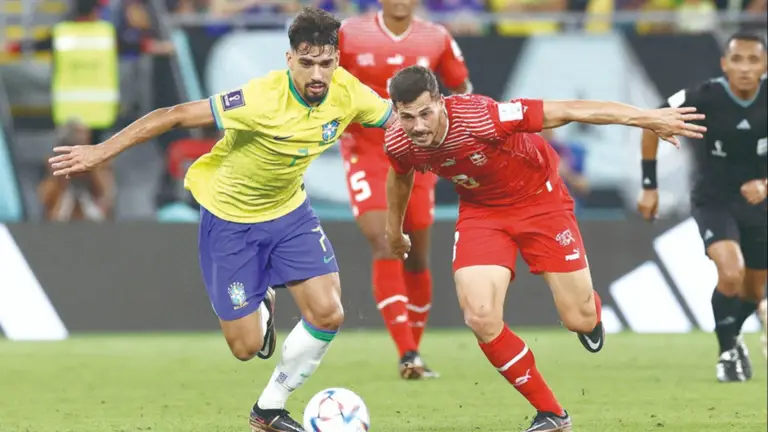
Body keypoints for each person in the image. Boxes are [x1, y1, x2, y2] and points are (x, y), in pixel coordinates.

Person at [48, 7, 394, 432]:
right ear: (290, 60)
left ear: (337, 59)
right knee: (246, 347)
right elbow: (174, 115)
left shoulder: (349, 93)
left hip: (289, 212)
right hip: (231, 219)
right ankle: (262, 304)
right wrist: (100, 152)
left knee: (328, 313)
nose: (317, 74)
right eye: (307, 63)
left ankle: (268, 409)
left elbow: (401, 122)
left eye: (326, 63)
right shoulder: (260, 98)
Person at [383, 66, 706, 432]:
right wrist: (394, 229)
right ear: (396, 112)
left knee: (579, 318)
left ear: (441, 102)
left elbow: (571, 109)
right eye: (407, 117)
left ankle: (589, 313)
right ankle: (552, 413)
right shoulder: (398, 141)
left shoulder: (482, 117)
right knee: (480, 316)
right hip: (482, 212)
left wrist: (647, 118)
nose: (418, 126)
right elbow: (400, 175)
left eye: (425, 113)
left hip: (541, 201)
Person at [338, 0, 472, 379]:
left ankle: (414, 353)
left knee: (415, 257)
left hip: (420, 155)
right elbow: (324, 81)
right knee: (386, 242)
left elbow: (461, 88)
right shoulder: (349, 33)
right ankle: (407, 353)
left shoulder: (437, 37)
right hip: (366, 152)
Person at [637, 31, 767, 383]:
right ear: (724, 64)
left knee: (753, 292)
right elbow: (651, 121)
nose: (744, 68)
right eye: (737, 60)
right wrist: (649, 186)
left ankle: (732, 335)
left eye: (753, 60)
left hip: (760, 204)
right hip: (715, 199)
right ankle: (726, 354)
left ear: (764, 65)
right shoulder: (705, 96)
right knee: (731, 272)